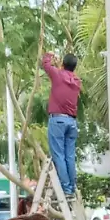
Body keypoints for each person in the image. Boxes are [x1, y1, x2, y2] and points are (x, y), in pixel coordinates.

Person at [41, 52, 81, 196]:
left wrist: (49, 55)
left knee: (58, 155)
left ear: (63, 64)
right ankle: (71, 186)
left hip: (58, 120)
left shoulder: (58, 75)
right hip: (71, 122)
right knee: (69, 156)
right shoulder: (77, 81)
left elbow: (45, 65)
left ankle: (66, 188)